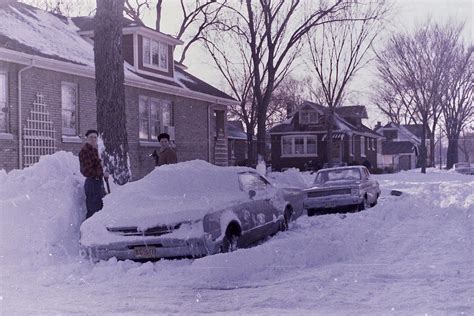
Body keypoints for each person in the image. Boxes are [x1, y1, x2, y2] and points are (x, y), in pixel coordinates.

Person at [79, 129, 109, 219]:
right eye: (91, 137)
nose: (93, 139)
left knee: (100, 208)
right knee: (93, 211)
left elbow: (96, 167)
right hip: (92, 184)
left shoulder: (94, 150)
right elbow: (87, 171)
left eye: (95, 137)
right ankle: (89, 232)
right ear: (87, 139)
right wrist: (102, 173)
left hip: (98, 183)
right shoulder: (85, 151)